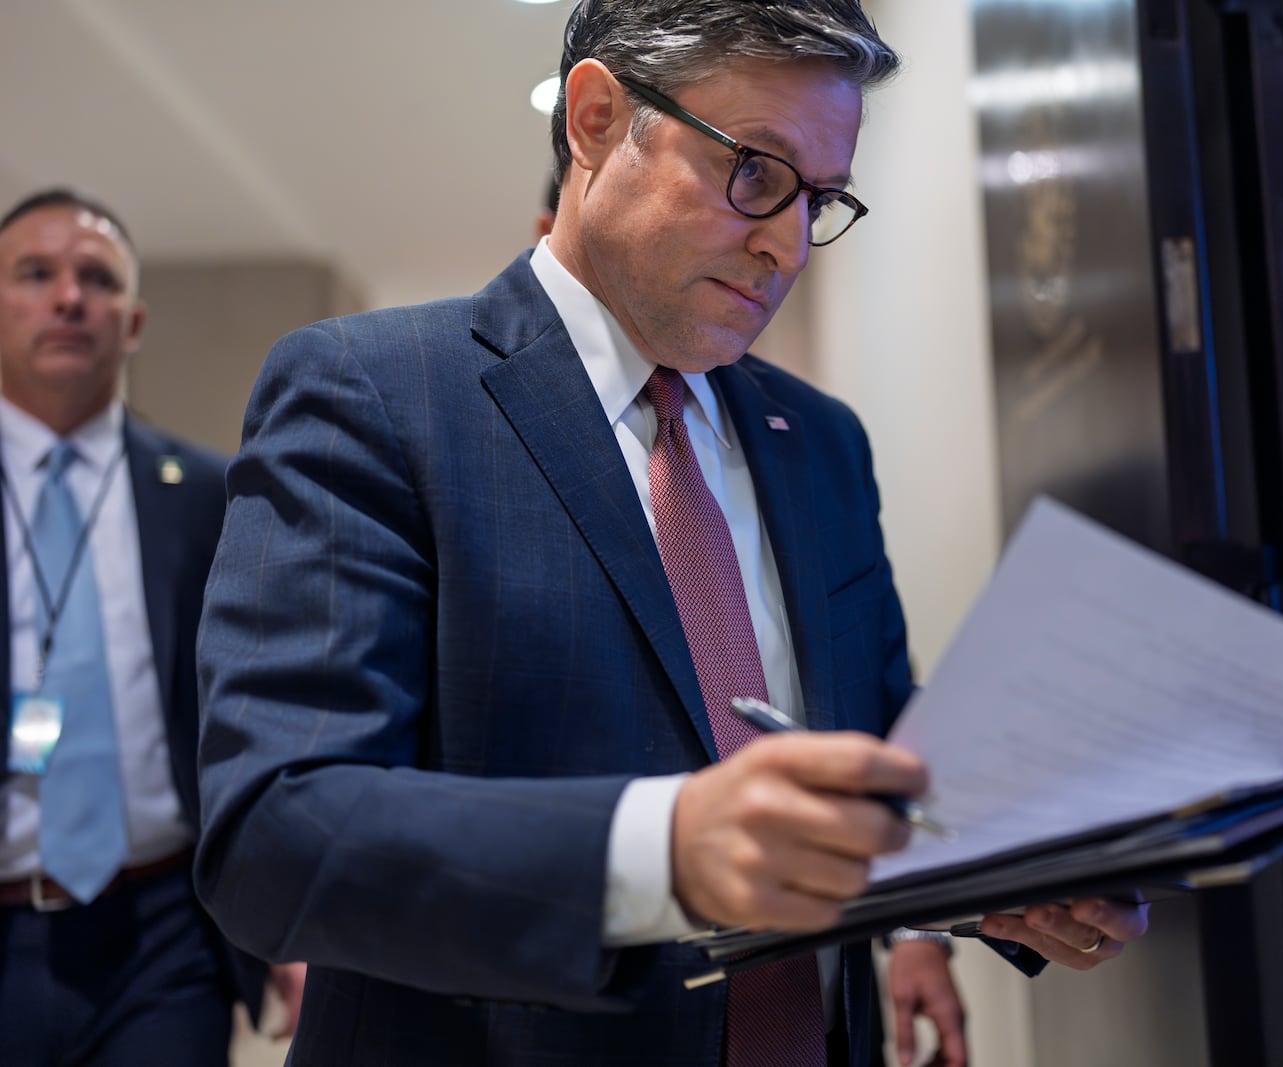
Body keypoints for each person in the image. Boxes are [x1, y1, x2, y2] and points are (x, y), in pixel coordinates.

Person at [194, 3, 1149, 1065]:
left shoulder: (819, 443)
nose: (787, 243)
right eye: (755, 170)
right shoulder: (374, 392)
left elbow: (878, 758)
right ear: (597, 119)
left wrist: (1013, 869)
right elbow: (276, 833)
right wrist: (665, 851)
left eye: (822, 199)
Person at [0, 189, 305, 1064]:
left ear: (131, 322)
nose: (68, 297)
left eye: (95, 279)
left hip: (163, 935)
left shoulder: (213, 494)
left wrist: (287, 930)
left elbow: (256, 716)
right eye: (36, 274)